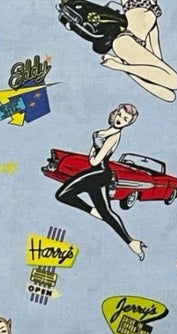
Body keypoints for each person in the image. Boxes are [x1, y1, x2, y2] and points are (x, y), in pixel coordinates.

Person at [52, 105, 147, 260]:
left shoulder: (114, 136)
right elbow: (92, 156)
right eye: (120, 115)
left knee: (63, 195)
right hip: (97, 173)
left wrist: (95, 153)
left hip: (101, 173)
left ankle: (93, 212)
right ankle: (132, 243)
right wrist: (94, 153)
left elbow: (95, 160)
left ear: (129, 123)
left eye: (125, 119)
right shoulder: (106, 132)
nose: (120, 120)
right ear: (115, 113)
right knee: (106, 213)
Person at [97, 0, 177, 101]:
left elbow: (153, 34)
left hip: (140, 46)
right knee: (175, 81)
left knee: (169, 95)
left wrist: (159, 62)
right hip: (126, 41)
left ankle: (123, 66)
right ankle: (119, 65)